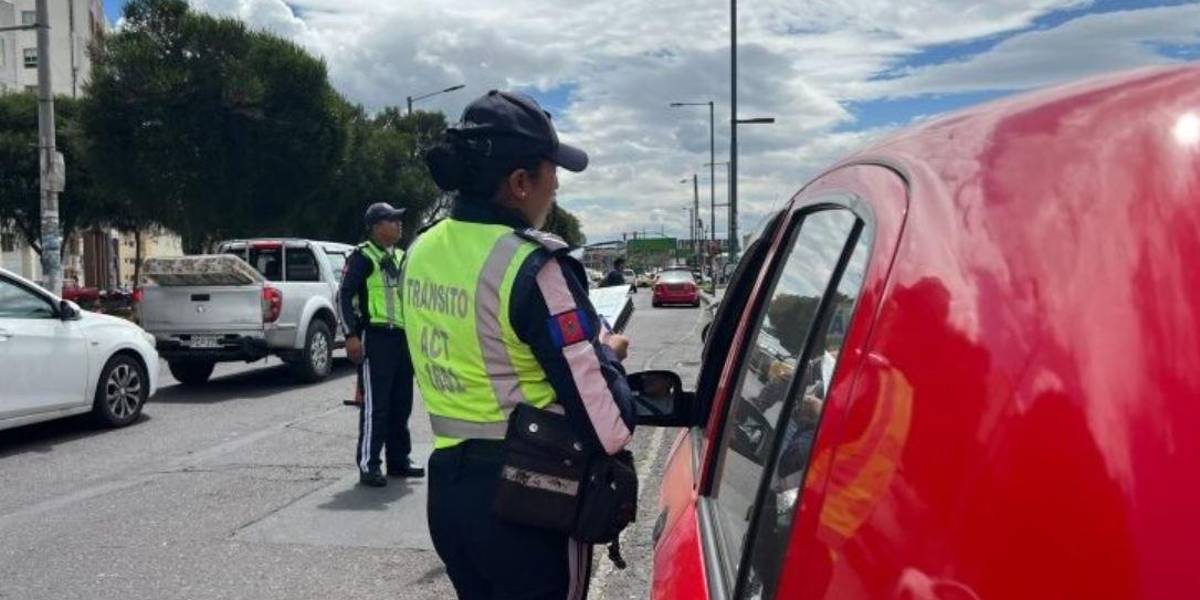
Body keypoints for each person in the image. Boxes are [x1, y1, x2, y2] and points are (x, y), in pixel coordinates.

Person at [403, 90, 636, 600]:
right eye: (553, 170)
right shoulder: (533, 265)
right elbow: (609, 427)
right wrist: (608, 355)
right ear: (520, 183)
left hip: (449, 496)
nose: (557, 185)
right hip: (529, 499)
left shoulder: (419, 251)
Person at [337, 202, 424, 487]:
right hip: (376, 337)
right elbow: (343, 295)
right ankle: (369, 464)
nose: (399, 224)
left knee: (402, 403)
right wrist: (350, 335)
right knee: (377, 405)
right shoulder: (363, 256)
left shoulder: (401, 256)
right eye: (392, 220)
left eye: (399, 219)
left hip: (402, 338)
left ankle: (399, 461)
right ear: (376, 227)